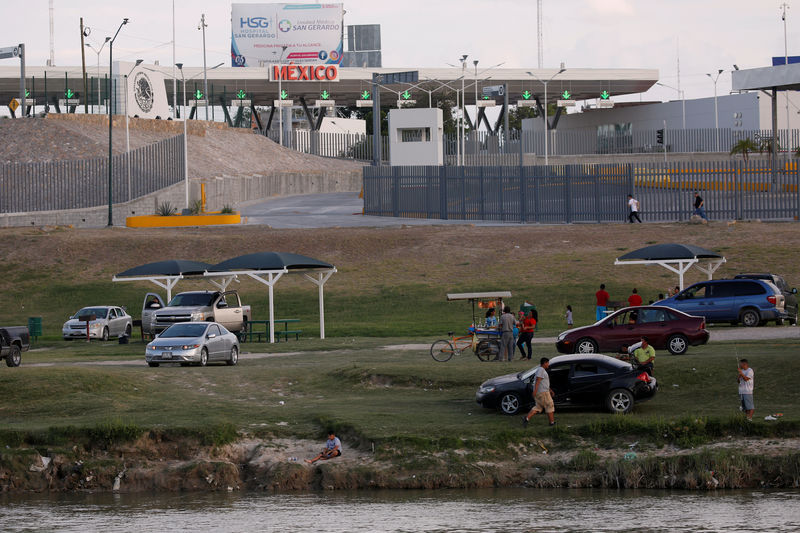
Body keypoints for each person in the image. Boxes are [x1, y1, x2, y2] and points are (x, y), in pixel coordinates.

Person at [522, 357, 555, 427]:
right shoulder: (541, 370)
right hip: (543, 393)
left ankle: (526, 418)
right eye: (548, 363)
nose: (548, 364)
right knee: (549, 405)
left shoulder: (540, 370)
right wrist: (535, 391)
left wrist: (550, 390)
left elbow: (543, 383)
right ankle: (552, 423)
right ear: (545, 363)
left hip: (541, 392)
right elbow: (538, 381)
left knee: (538, 407)